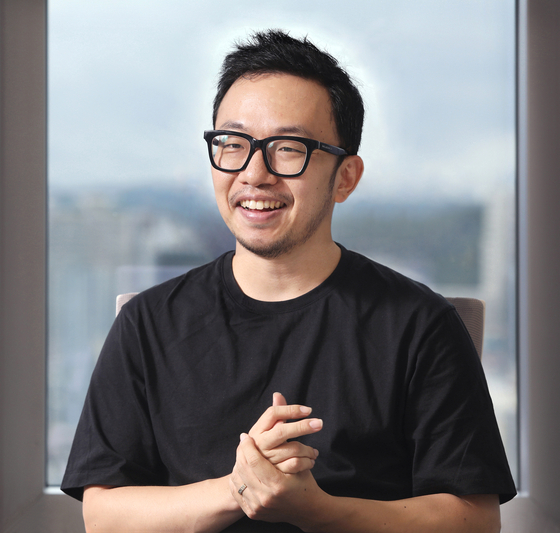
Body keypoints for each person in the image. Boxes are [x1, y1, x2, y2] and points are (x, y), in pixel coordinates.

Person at [61, 30, 516, 532]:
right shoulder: (147, 322)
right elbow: (103, 515)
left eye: (288, 148)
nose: (254, 173)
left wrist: (315, 509)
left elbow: (475, 520)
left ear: (346, 177)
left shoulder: (419, 324)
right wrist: (241, 486)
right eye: (233, 144)